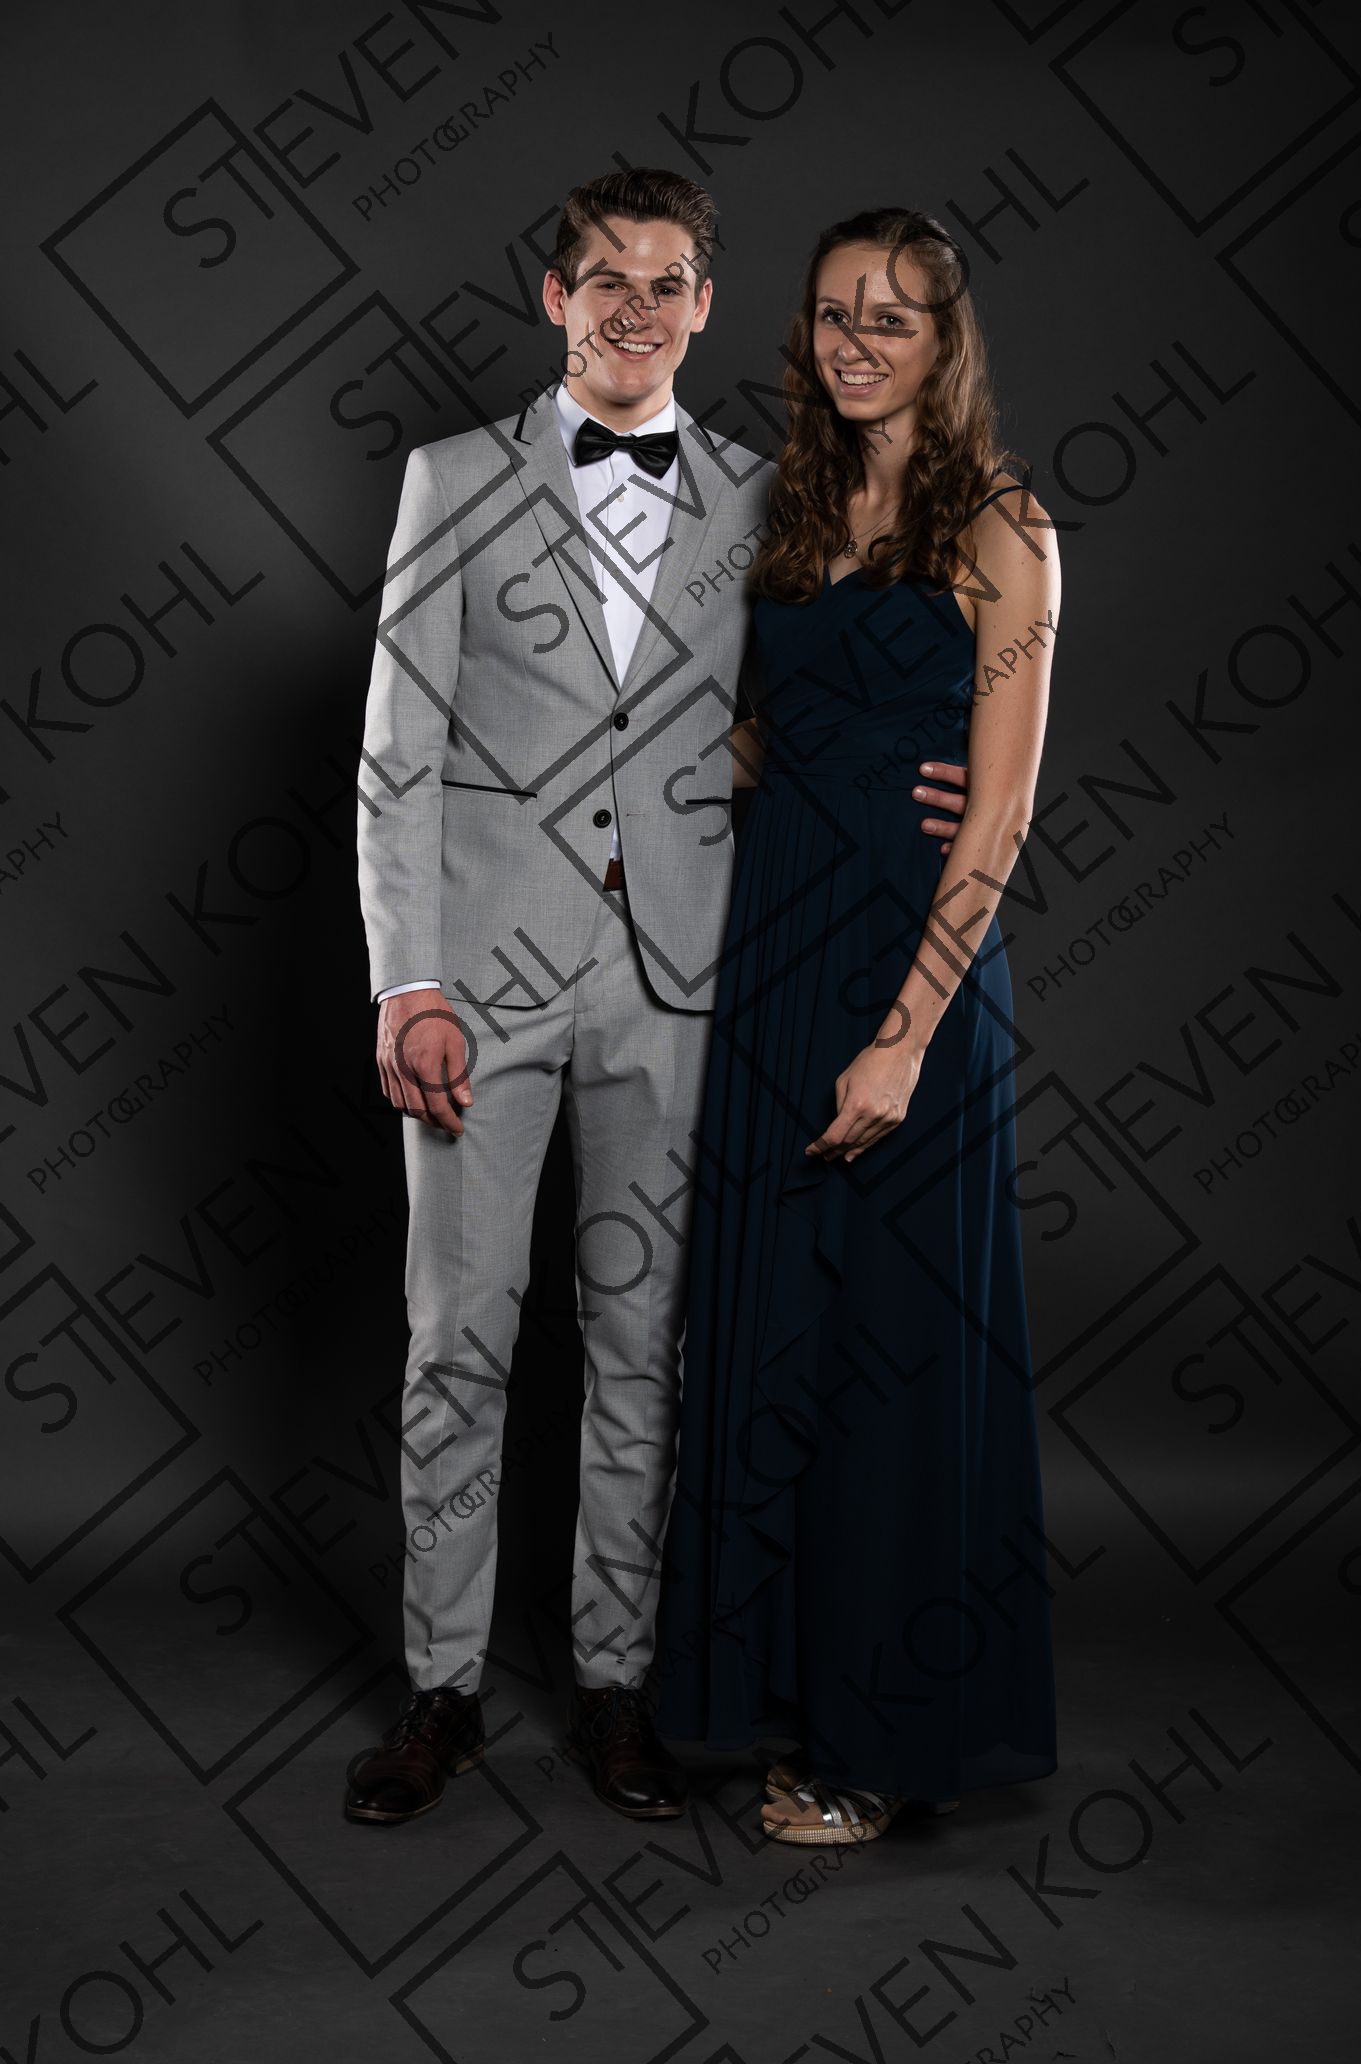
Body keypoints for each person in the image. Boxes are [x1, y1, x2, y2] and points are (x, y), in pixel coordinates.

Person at [345, 170, 967, 1826]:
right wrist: (409, 983)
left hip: (687, 985)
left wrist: (941, 768)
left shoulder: (768, 495)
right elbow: (397, 757)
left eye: (669, 280)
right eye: (607, 279)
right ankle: (442, 1688)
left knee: (648, 1350)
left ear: (704, 305)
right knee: (458, 1341)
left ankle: (620, 1687)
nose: (637, 306)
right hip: (479, 982)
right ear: (558, 299)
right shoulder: (450, 479)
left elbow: (835, 681)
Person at [653, 207, 1059, 1844]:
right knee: (776, 1337)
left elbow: (1001, 812)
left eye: (892, 317)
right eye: (834, 314)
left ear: (944, 340)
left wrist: (905, 1035)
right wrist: (618, 780)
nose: (857, 342)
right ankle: (787, 1699)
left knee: (897, 1356)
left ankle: (884, 1745)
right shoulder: (795, 508)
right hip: (773, 950)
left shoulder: (1006, 526)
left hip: (911, 972)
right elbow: (767, 732)